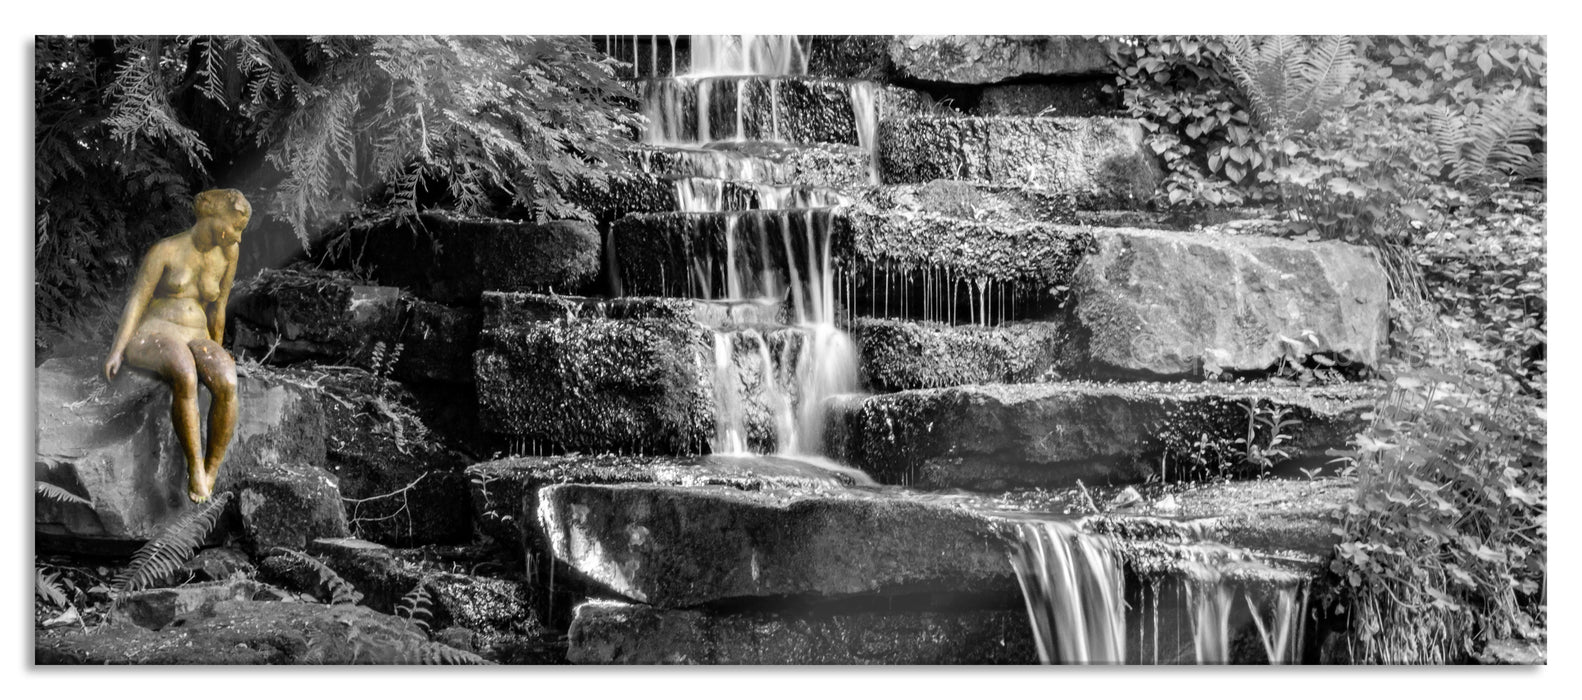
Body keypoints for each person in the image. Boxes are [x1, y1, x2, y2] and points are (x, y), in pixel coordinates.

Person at [104, 189, 248, 503]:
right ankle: (194, 468)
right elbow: (137, 301)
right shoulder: (166, 250)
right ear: (214, 219)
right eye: (235, 227)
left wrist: (216, 351)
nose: (237, 237)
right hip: (155, 333)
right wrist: (118, 350)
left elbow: (219, 307)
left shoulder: (228, 253)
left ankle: (211, 469)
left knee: (226, 378)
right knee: (184, 370)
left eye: (241, 230)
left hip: (197, 335)